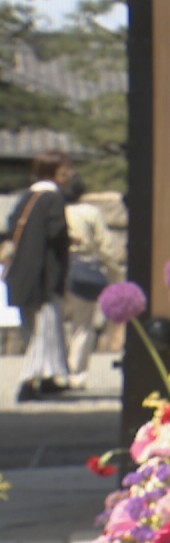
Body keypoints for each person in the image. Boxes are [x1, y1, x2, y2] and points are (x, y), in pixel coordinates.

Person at [5, 150, 74, 402]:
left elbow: (11, 226)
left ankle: (48, 378)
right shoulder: (53, 198)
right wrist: (70, 240)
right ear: (54, 171)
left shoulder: (27, 198)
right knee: (44, 330)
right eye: (65, 168)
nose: (70, 173)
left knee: (35, 328)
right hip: (44, 276)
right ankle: (28, 381)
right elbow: (56, 232)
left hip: (22, 275)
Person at [61, 172, 120, 389]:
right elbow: (105, 244)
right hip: (84, 267)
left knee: (56, 322)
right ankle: (76, 372)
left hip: (59, 267)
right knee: (82, 324)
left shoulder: (57, 210)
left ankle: (57, 370)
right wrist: (114, 272)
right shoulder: (90, 212)